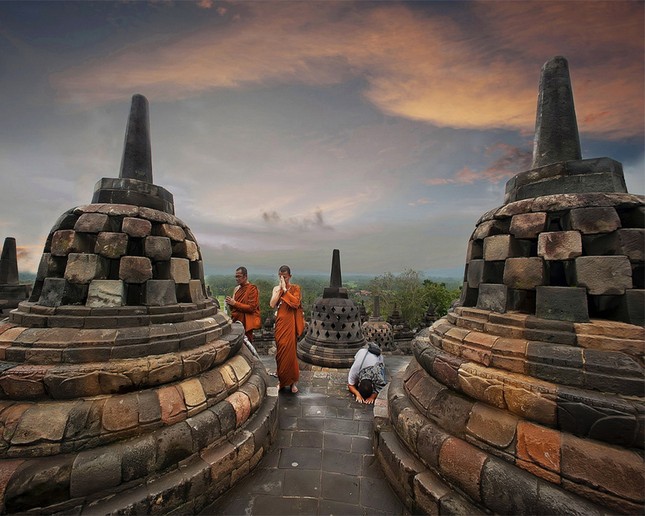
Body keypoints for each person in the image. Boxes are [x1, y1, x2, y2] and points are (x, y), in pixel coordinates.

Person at [269, 265, 303, 394]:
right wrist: (280, 290)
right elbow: (272, 304)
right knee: (281, 352)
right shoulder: (276, 289)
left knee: (291, 353)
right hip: (280, 323)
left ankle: (293, 382)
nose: (283, 278)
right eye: (281, 276)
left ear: (290, 276)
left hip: (291, 323)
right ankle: (282, 381)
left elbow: (295, 303)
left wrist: (285, 289)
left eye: (285, 276)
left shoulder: (295, 289)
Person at [225, 266, 261, 343]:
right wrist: (230, 303)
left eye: (239, 276)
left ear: (245, 276)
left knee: (246, 345)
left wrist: (234, 303)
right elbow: (233, 309)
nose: (237, 279)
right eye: (236, 276)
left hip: (246, 323)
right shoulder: (236, 289)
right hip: (236, 321)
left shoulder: (252, 289)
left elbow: (251, 308)